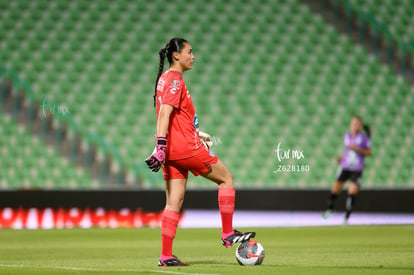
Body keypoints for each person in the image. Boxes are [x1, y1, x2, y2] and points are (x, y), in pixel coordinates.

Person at [145, 38, 255, 267]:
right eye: (189, 52)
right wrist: (162, 146)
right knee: (226, 179)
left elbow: (173, 117)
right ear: (176, 55)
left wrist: (187, 136)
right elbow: (164, 114)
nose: (193, 56)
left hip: (173, 151)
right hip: (185, 147)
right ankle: (227, 233)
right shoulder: (175, 80)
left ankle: (166, 256)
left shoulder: (165, 79)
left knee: (173, 202)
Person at [323, 115, 371, 225]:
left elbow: (368, 152)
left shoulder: (363, 138)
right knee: (336, 187)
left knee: (352, 191)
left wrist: (358, 149)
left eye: (358, 123)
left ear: (360, 126)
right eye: (354, 123)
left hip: (357, 169)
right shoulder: (347, 137)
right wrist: (341, 158)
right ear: (351, 124)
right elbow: (348, 153)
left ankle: (347, 217)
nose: (356, 125)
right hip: (345, 167)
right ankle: (330, 208)